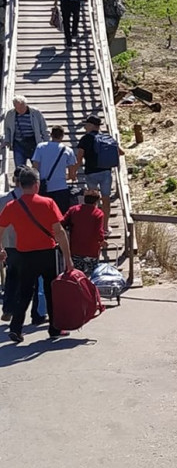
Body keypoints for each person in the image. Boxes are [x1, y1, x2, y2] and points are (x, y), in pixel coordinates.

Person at [0, 167, 74, 343]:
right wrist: (68, 257)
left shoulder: (12, 206)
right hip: (47, 253)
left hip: (24, 254)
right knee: (50, 291)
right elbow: (59, 232)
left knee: (24, 292)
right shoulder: (48, 203)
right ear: (36, 184)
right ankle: (55, 329)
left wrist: (1, 249)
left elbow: (0, 229)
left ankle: (16, 328)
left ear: (19, 184)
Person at [0, 167, 46, 325]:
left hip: (9, 243)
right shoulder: (34, 197)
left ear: (14, 180)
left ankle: (8, 308)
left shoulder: (3, 199)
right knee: (33, 279)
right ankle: (36, 314)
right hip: (29, 243)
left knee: (12, 276)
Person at [75, 115, 123, 236]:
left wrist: (74, 170)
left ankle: (94, 226)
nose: (85, 127)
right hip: (106, 172)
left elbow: (79, 156)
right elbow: (121, 152)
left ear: (91, 125)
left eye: (86, 124)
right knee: (106, 200)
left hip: (91, 173)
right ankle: (105, 228)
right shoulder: (107, 138)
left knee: (92, 200)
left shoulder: (85, 139)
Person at [32, 125, 78, 214]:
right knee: (61, 215)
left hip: (43, 188)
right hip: (61, 188)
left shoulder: (40, 147)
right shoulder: (68, 150)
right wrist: (66, 177)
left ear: (51, 135)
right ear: (62, 136)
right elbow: (72, 174)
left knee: (44, 215)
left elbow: (35, 167)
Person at [63, 189, 104, 277]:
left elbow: (62, 222)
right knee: (93, 275)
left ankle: (79, 290)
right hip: (91, 250)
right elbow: (98, 232)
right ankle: (91, 290)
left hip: (76, 249)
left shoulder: (73, 210)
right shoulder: (98, 213)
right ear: (97, 201)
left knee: (77, 275)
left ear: (84, 199)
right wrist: (102, 241)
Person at [3, 95, 49, 168]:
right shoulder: (10, 114)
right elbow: (7, 129)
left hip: (33, 143)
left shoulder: (35, 112)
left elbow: (44, 128)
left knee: (38, 166)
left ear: (26, 105)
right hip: (18, 144)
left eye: (22, 107)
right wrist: (7, 140)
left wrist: (47, 142)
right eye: (17, 108)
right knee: (20, 168)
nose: (20, 110)